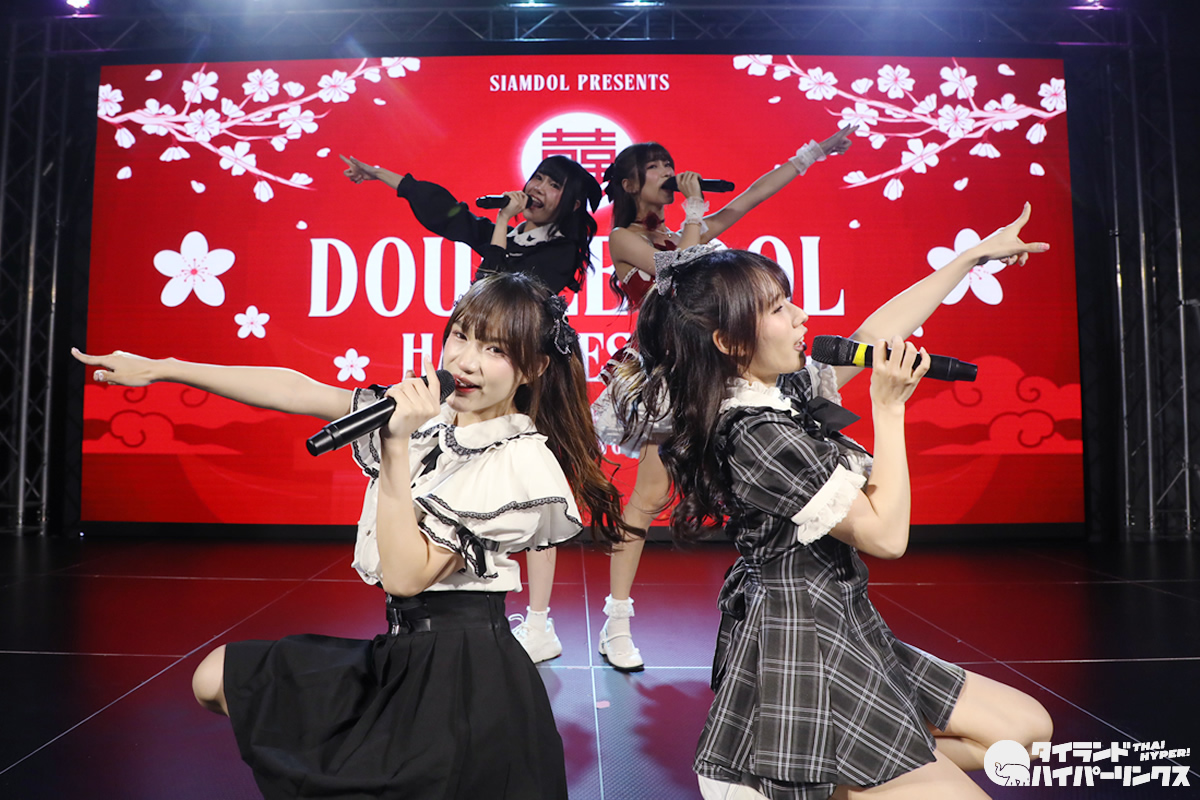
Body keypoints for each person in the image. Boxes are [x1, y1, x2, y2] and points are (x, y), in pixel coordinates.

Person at [72, 272, 628, 799]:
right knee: (216, 677)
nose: (465, 360)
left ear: (533, 368)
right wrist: (166, 368)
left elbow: (406, 577)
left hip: (465, 679)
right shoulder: (433, 422)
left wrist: (395, 444)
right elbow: (302, 390)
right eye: (461, 336)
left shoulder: (518, 459)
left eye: (495, 349)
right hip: (402, 653)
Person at [634, 208, 1053, 799]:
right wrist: (889, 408)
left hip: (845, 623)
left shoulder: (774, 391)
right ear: (729, 342)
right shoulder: (756, 432)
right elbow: (887, 539)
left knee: (1028, 734)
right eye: (778, 308)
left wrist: (969, 257)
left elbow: (872, 336)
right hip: (803, 643)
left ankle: (847, 778)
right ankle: (808, 781)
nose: (801, 316)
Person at [517, 126, 855, 670]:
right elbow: (688, 271)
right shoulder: (623, 238)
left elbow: (750, 197)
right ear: (631, 182)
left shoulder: (684, 227)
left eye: (670, 164)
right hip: (668, 377)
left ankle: (769, 604)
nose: (670, 173)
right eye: (657, 166)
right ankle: (617, 621)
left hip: (718, 371)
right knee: (649, 497)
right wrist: (695, 213)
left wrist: (811, 154)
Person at [341, 153, 602, 295]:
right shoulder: (507, 236)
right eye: (538, 178)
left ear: (574, 205)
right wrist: (377, 173)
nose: (538, 188)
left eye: (553, 185)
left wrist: (502, 219)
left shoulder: (561, 251)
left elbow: (494, 285)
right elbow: (447, 212)